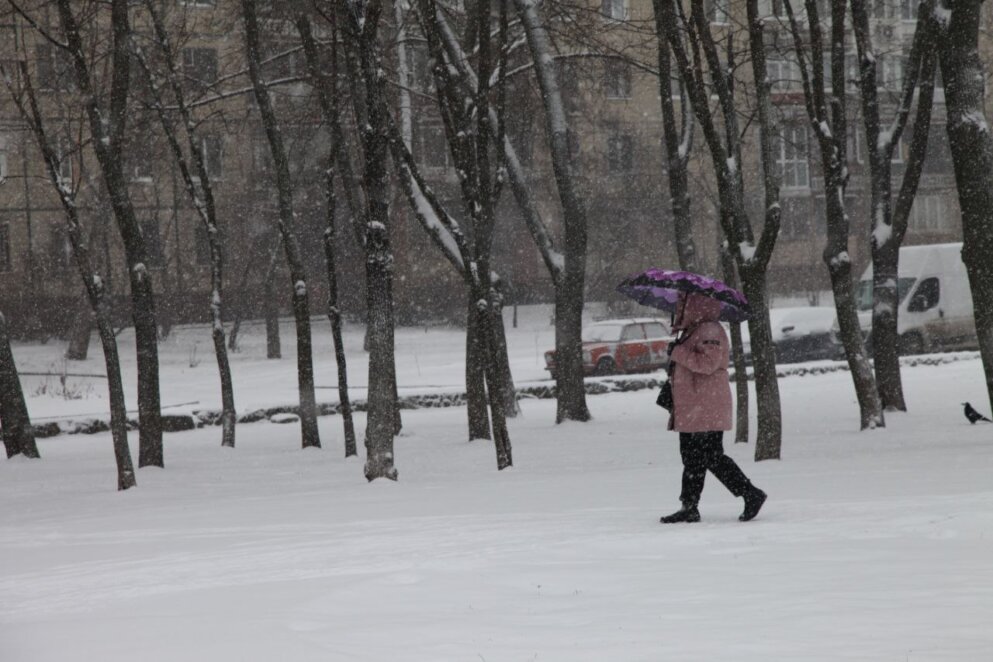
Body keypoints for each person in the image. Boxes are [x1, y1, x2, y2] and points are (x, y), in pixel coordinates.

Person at [660, 292, 767, 523]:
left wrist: (678, 352)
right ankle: (689, 506)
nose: (678, 309)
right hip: (692, 407)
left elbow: (707, 364)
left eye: (682, 304)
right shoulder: (694, 329)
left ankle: (750, 493)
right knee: (691, 458)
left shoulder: (710, 330)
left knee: (711, 457)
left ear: (695, 305)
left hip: (706, 406)